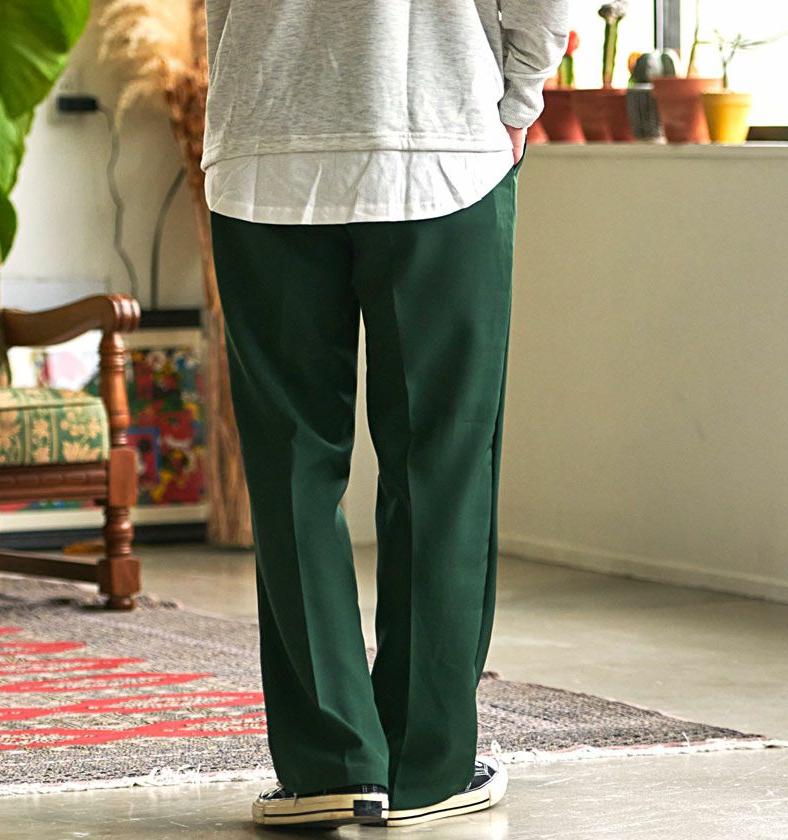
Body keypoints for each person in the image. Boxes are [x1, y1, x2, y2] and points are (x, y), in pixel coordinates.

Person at [203, 0, 570, 829]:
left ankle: (329, 767)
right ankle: (423, 767)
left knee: (292, 464)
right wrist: (519, 97)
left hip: (265, 143)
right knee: (442, 460)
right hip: (441, 139)